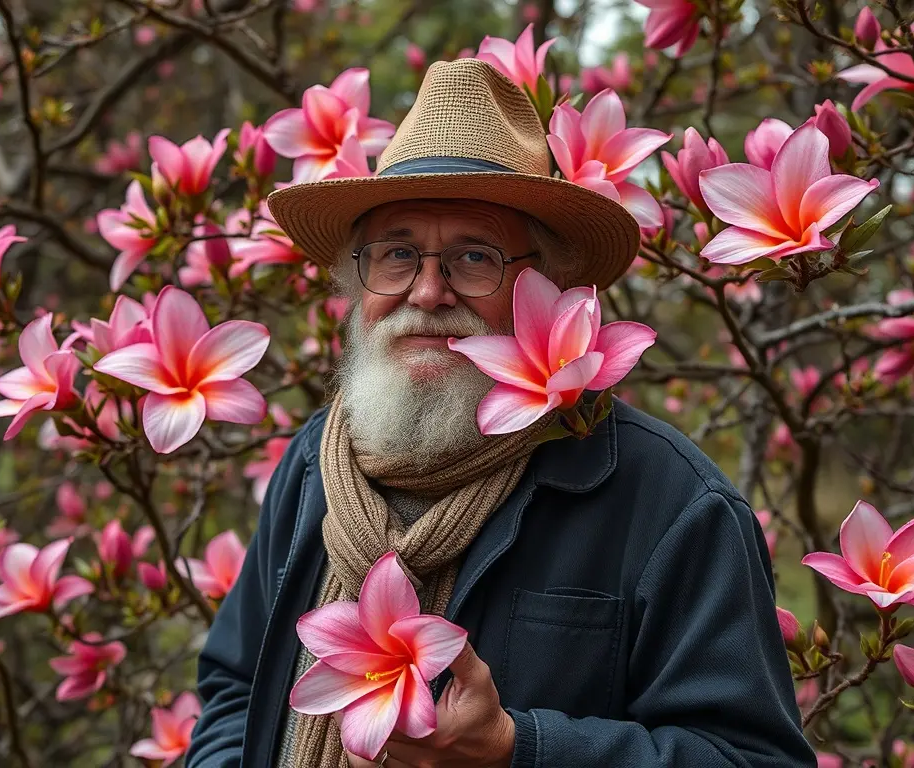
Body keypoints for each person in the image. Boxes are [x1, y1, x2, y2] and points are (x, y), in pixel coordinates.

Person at [185, 58, 815, 768]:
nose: (427, 291)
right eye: (396, 254)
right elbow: (236, 692)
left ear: (546, 285)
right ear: (356, 282)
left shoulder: (674, 506)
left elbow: (752, 759)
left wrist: (520, 751)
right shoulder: (312, 464)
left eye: (474, 257)